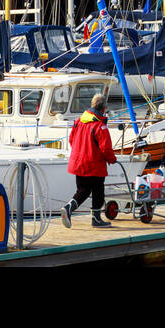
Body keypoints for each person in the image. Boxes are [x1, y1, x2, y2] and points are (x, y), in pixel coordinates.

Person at [60, 93, 117, 228]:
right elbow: (105, 148)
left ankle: (69, 208)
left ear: (92, 105)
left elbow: (72, 140)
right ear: (103, 109)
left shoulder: (78, 121)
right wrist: (112, 159)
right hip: (94, 164)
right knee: (98, 191)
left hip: (78, 163)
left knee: (83, 190)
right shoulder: (99, 126)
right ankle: (96, 220)